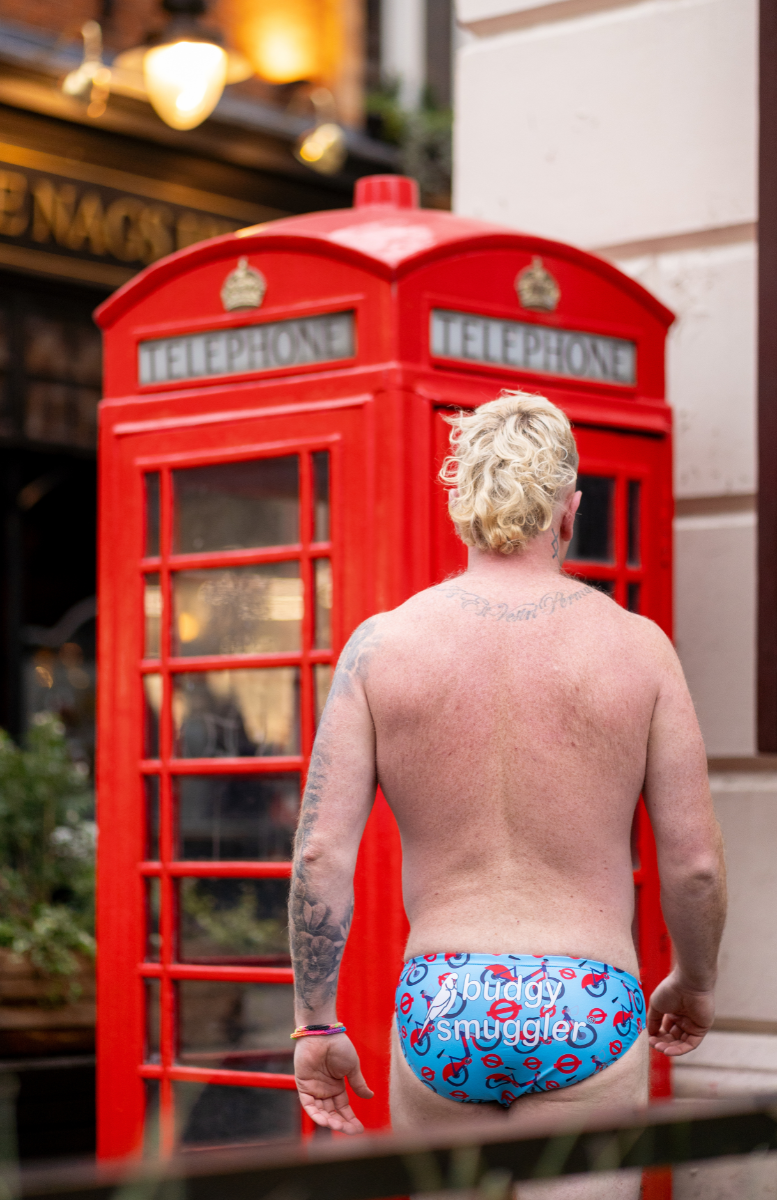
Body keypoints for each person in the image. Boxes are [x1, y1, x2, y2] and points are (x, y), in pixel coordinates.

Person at [289, 391, 726, 1194]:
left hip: (442, 1002)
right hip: (585, 997)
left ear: (461, 504)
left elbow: (320, 854)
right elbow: (694, 864)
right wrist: (694, 983)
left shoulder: (381, 646)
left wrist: (316, 1023)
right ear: (570, 510)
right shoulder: (639, 647)